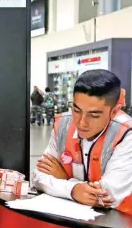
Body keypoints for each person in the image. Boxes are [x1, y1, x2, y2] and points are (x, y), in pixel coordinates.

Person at [32, 69, 132, 214]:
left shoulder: (126, 134)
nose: (81, 122)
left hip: (120, 226)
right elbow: (38, 176)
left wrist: (66, 180)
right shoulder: (63, 125)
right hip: (71, 221)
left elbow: (105, 196)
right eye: (77, 110)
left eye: (94, 115)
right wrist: (74, 189)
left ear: (114, 112)